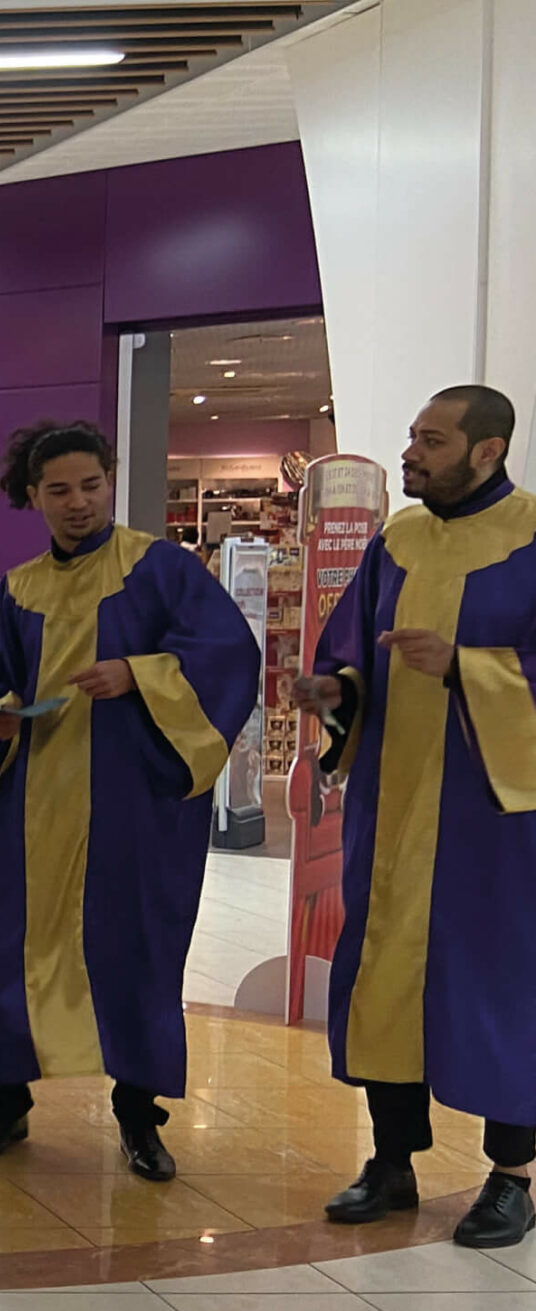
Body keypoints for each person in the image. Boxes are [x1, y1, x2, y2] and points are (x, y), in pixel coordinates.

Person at [0, 421, 261, 1179]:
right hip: (39, 801)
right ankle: (6, 1101)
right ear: (32, 497)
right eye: (58, 490)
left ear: (110, 483)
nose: (78, 503)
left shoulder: (159, 568)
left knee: (135, 951)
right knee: (11, 950)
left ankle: (138, 1116)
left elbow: (226, 654)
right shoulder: (18, 588)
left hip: (136, 802)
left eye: (91, 486)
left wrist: (141, 674)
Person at [294, 386, 536, 1246]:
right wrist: (337, 690)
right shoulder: (395, 543)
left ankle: (512, 1176)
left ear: (487, 451)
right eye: (412, 438)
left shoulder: (532, 539)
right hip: (392, 806)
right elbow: (351, 649)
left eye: (431, 441)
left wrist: (469, 667)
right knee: (386, 975)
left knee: (499, 984)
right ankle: (392, 1160)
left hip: (494, 823)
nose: (411, 454)